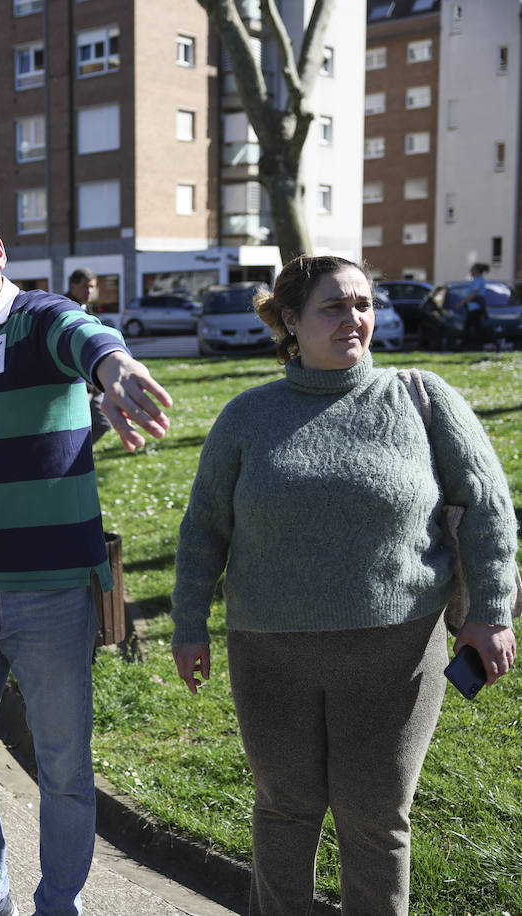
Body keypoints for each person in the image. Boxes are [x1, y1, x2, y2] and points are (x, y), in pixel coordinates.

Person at [170, 255, 518, 915]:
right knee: (284, 811)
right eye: (334, 306)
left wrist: (493, 610)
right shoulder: (247, 418)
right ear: (292, 323)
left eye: (362, 303)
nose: (354, 318)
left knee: (376, 818)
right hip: (270, 651)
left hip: (396, 650)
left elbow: (488, 508)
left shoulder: (422, 398)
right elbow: (202, 531)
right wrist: (188, 625)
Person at [0, 190, 172, 916]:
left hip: (51, 594)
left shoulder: (38, 319)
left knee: (64, 769)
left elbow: (86, 337)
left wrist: (114, 368)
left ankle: (58, 905)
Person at [68, 267, 111, 441]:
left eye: (93, 287)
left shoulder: (87, 308)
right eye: (86, 286)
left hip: (93, 381)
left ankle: (81, 452)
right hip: (76, 383)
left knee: (102, 423)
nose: (89, 291)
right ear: (73, 286)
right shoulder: (63, 309)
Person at [462, 262, 489, 343]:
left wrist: (461, 303)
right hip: (473, 307)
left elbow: (474, 295)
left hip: (475, 308)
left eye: (472, 270)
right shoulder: (477, 280)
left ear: (476, 271)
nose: (471, 272)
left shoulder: (478, 281)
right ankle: (482, 343)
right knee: (475, 326)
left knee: (471, 326)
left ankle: (485, 342)